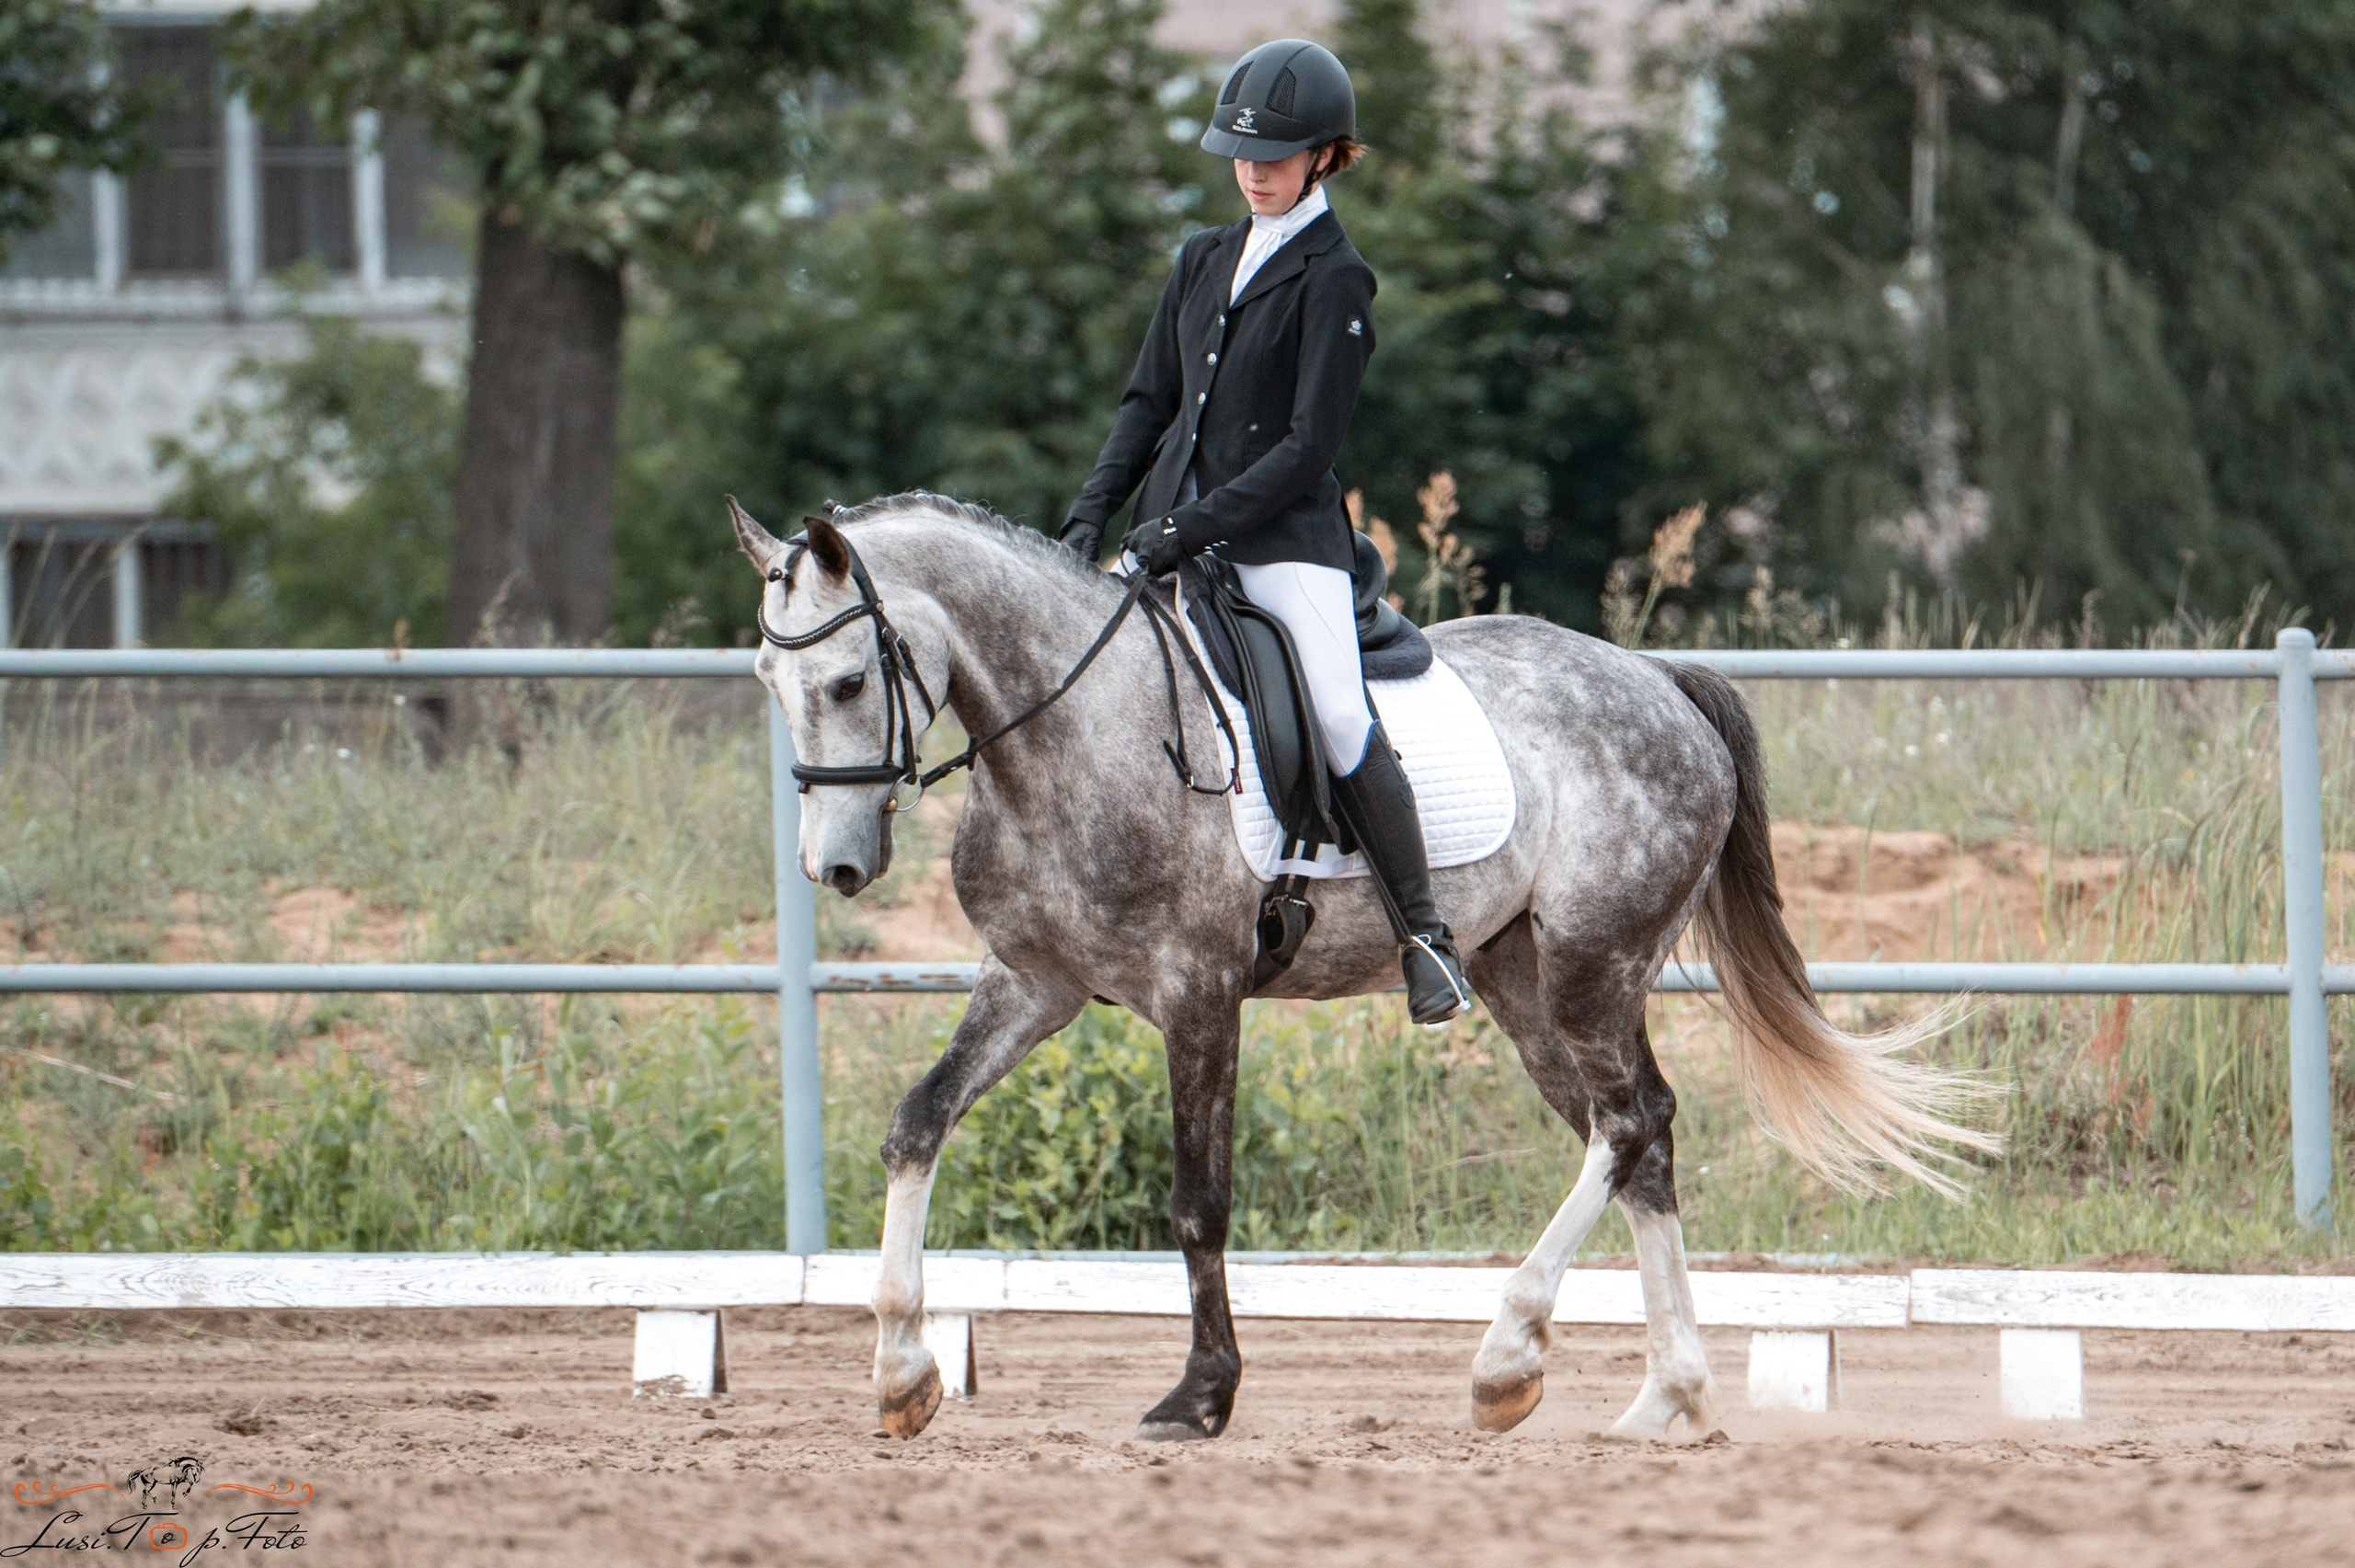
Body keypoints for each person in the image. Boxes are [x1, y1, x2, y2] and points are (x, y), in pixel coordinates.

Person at [1058, 39, 1470, 1025]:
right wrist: (1083, 523)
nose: (1253, 169)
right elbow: (1146, 404)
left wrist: (1177, 531)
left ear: (1327, 155)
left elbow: (1302, 451)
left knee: (1334, 712)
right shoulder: (1201, 256)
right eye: (1241, 154)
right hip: (1168, 534)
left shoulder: (1339, 279)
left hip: (1286, 547)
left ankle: (1425, 935)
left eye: (1277, 154)